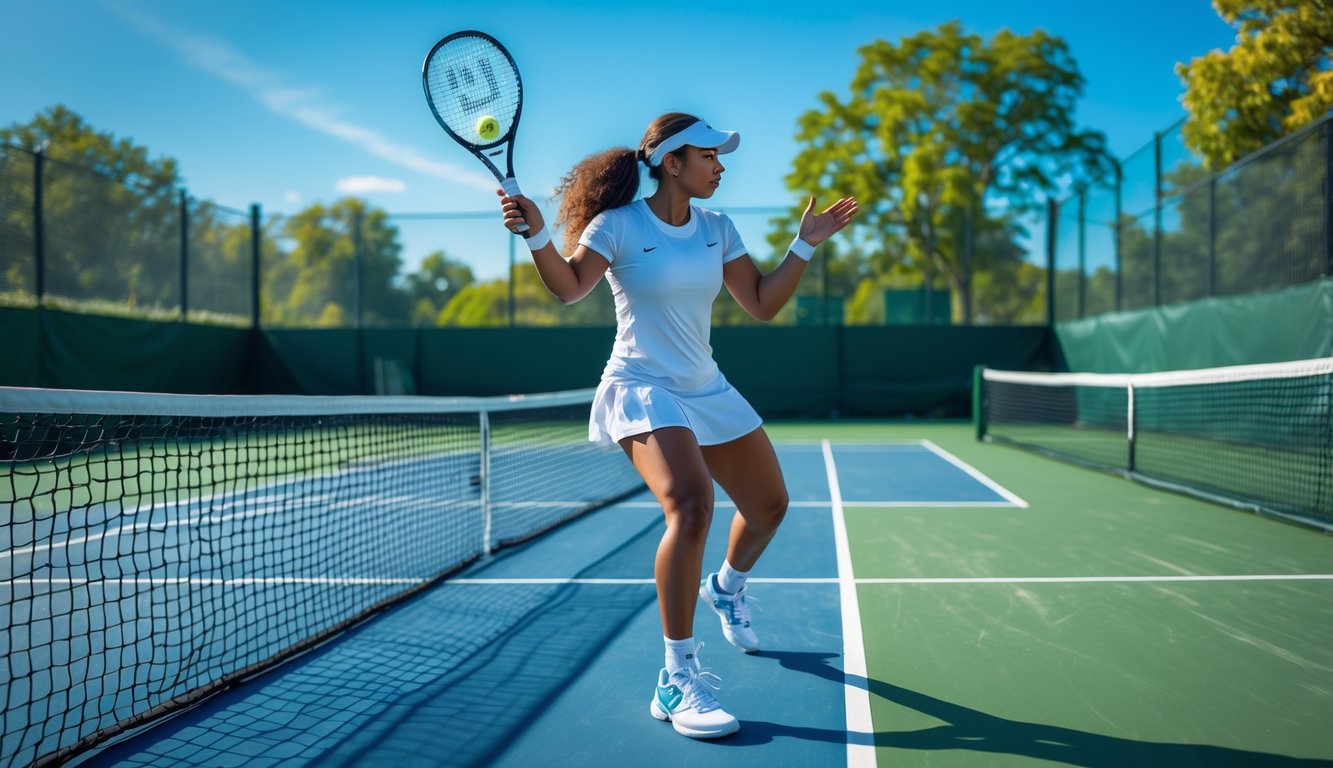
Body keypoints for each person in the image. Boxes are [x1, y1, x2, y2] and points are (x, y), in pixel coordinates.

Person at [497, 113, 858, 740]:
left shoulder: (719, 228)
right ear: (672, 162)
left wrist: (805, 244)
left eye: (719, 157)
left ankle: (727, 588)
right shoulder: (617, 225)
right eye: (709, 156)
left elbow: (762, 303)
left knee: (769, 506)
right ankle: (677, 676)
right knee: (691, 506)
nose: (720, 166)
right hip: (641, 385)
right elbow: (569, 287)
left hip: (704, 385)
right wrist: (536, 235)